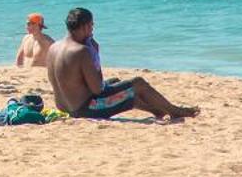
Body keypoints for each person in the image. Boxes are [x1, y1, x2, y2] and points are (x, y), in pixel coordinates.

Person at [46, 6, 198, 121]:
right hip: (85, 110)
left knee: (116, 83)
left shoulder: (54, 47)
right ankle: (174, 111)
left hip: (65, 107)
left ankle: (156, 110)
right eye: (92, 25)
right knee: (138, 83)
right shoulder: (81, 51)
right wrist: (95, 54)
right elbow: (97, 89)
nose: (92, 29)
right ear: (85, 26)